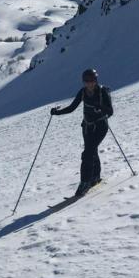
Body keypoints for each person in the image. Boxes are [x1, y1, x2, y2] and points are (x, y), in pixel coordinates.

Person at [50, 68, 114, 197]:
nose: (90, 83)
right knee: (92, 151)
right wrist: (56, 112)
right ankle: (95, 176)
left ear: (96, 80)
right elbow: (72, 108)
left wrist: (100, 107)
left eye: (92, 80)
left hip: (101, 126)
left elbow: (110, 112)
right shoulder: (83, 92)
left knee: (87, 153)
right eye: (87, 81)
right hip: (87, 127)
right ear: (83, 82)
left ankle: (85, 182)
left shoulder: (102, 92)